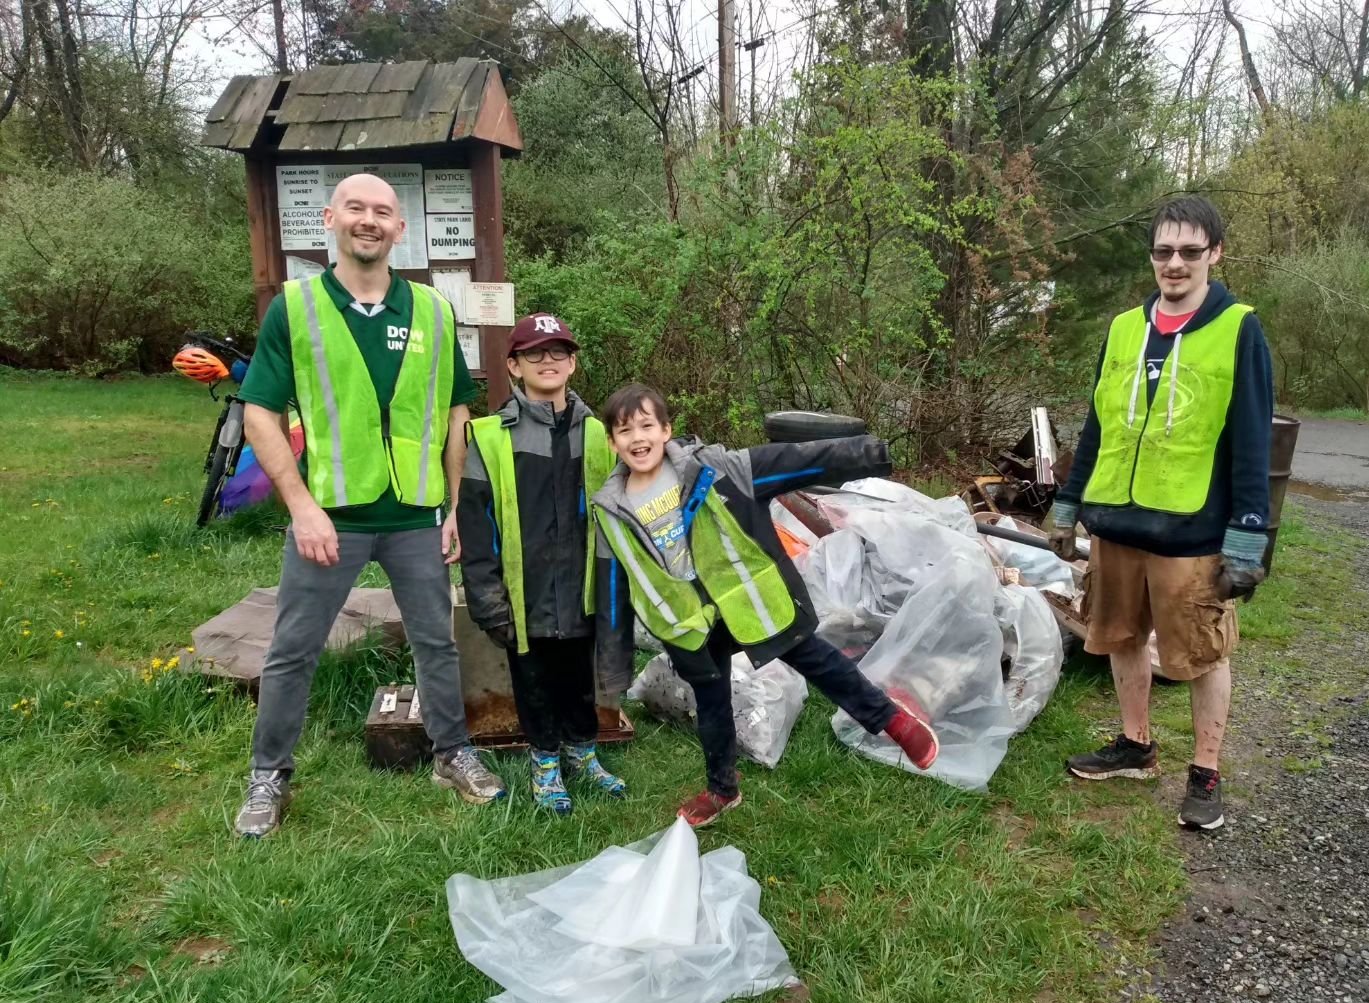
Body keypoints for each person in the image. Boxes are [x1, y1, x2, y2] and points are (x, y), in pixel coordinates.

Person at [233, 172, 506, 839]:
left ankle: (451, 754)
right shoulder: (294, 309)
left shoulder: (434, 311)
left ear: (399, 228)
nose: (369, 220)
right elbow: (260, 416)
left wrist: (450, 507)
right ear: (330, 218)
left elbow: (455, 411)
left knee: (437, 643)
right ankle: (270, 775)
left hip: (415, 515)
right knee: (293, 648)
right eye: (356, 208)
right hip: (332, 517)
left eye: (383, 211)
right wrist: (300, 507)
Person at [592, 384, 941, 827]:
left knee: (816, 659)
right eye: (624, 431)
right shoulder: (610, 509)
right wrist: (613, 668)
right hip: (690, 624)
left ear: (666, 429)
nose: (637, 437)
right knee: (712, 705)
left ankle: (892, 722)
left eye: (646, 425)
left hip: (747, 601)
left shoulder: (716, 470)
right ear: (611, 441)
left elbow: (793, 461)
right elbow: (613, 586)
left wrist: (868, 452)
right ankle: (722, 790)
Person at [1049, 195, 1274, 831]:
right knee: (1119, 638)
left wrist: (1248, 541)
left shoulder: (1238, 328)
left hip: (1191, 530)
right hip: (1117, 523)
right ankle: (1135, 745)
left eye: (1189, 252)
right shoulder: (1125, 328)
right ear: (1152, 256)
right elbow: (1097, 425)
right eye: (1163, 251)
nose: (1174, 264)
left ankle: (1205, 773)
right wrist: (1069, 507)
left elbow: (1253, 440)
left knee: (1202, 655)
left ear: (1215, 255)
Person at [455, 313, 629, 815]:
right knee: (532, 679)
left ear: (572, 364)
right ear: (514, 366)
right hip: (522, 594)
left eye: (558, 352)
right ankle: (545, 763)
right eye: (534, 353)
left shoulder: (601, 435)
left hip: (583, 588)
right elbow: (476, 522)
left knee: (579, 677)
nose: (547, 361)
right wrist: (488, 599)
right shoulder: (488, 437)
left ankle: (582, 753)